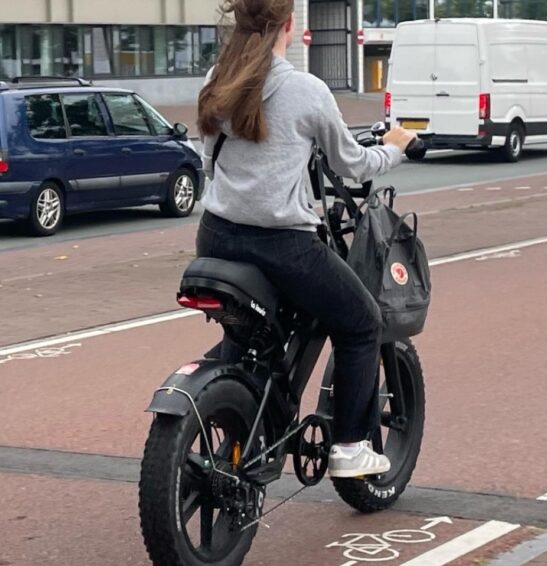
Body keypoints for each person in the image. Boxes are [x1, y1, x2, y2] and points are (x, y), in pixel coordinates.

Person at [195, 0, 416, 478]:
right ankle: (350, 446)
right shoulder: (306, 90)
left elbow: (210, 163)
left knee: (246, 332)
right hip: (279, 245)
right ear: (289, 27)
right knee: (360, 321)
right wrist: (394, 149)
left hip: (214, 237)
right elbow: (352, 164)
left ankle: (239, 416)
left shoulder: (217, 77)